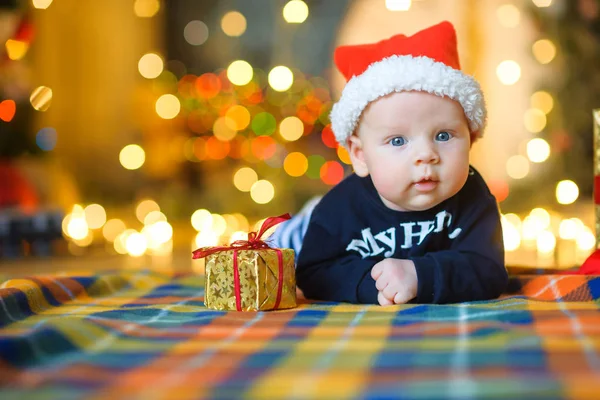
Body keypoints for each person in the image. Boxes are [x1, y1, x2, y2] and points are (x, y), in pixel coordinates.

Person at [270, 21, 508, 305]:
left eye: (443, 135)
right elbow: (313, 272)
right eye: (398, 141)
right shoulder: (340, 209)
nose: (426, 155)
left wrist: (420, 276)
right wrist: (374, 284)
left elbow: (488, 271)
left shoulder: (473, 197)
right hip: (299, 234)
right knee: (285, 247)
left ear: (471, 137)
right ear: (360, 155)